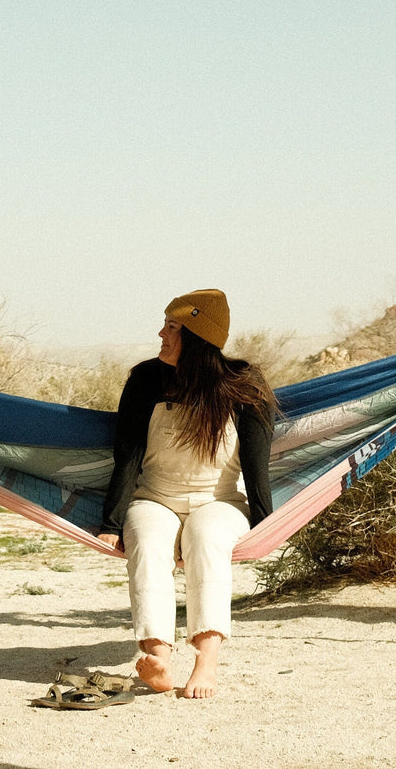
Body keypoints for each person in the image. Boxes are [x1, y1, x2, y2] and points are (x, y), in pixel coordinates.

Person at [96, 289, 277, 699]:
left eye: (172, 327)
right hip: (154, 497)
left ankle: (206, 662)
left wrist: (268, 525)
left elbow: (256, 463)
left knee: (206, 537)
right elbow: (127, 454)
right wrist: (111, 522)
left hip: (220, 502)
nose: (161, 333)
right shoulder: (145, 380)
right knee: (144, 538)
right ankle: (158, 657)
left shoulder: (245, 385)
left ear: (197, 337)